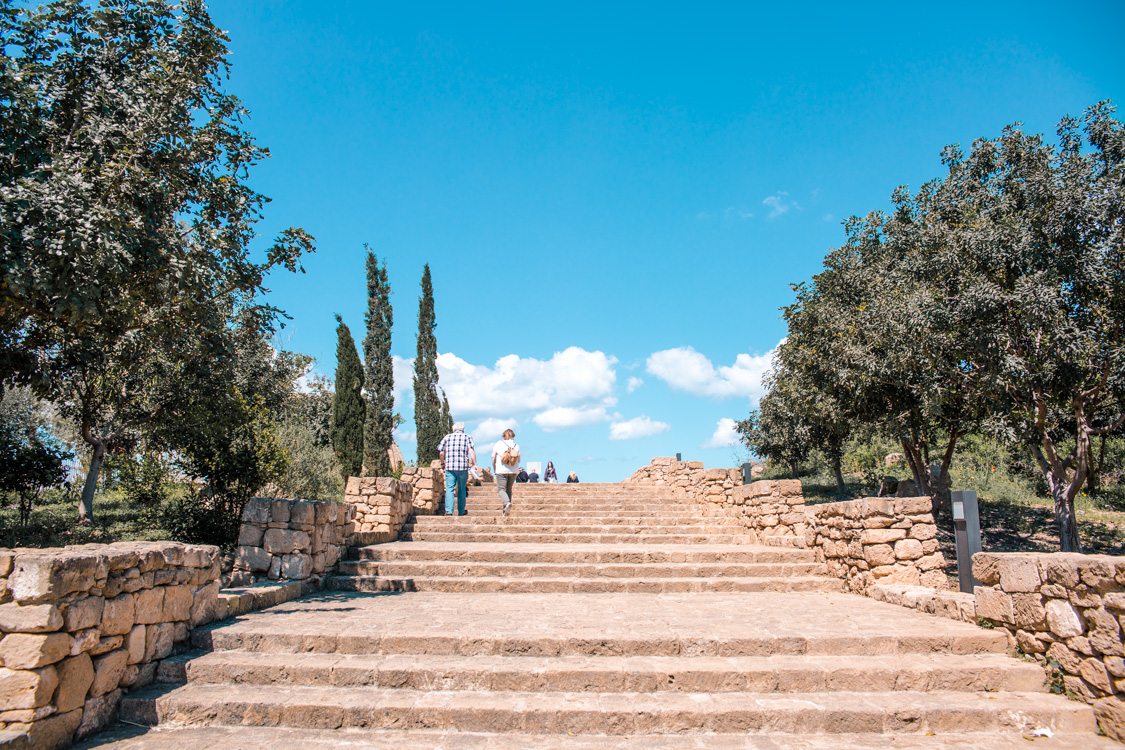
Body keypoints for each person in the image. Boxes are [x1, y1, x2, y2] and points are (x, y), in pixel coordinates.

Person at [437, 422, 476, 516]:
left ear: (453, 429)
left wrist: (443, 463)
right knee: (462, 489)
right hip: (462, 467)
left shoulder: (447, 437)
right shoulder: (467, 437)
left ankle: (449, 511)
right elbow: (471, 450)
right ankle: (461, 511)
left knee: (450, 488)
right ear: (463, 429)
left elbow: (441, 452)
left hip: (449, 467)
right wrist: (475, 464)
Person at [491, 429, 520, 516]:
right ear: (513, 436)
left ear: (504, 435)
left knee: (501, 489)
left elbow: (493, 457)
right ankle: (506, 510)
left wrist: (494, 468)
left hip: (501, 469)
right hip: (514, 470)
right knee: (508, 489)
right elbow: (519, 459)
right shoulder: (516, 446)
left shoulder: (499, 443)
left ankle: (507, 503)